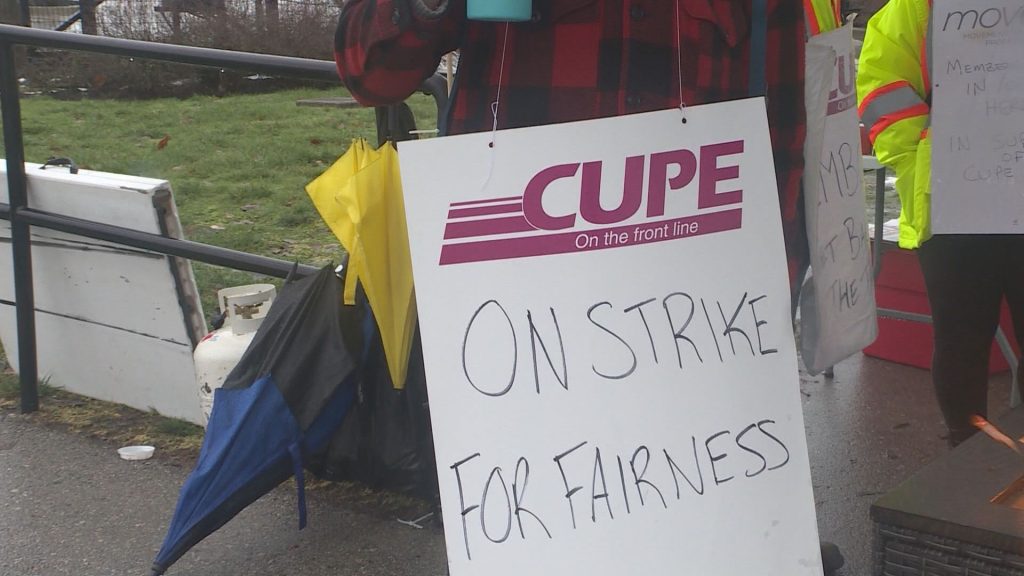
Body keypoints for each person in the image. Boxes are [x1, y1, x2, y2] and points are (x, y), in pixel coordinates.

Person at [334, 2, 843, 573]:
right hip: (523, 329)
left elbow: (781, 123)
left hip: (694, 317)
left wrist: (769, 282)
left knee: (691, 541)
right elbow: (367, 70)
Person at [857, 0, 1024, 446]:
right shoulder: (915, 7)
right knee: (962, 342)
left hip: (968, 193)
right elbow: (880, 88)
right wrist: (926, 161)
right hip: (952, 203)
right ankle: (963, 463)